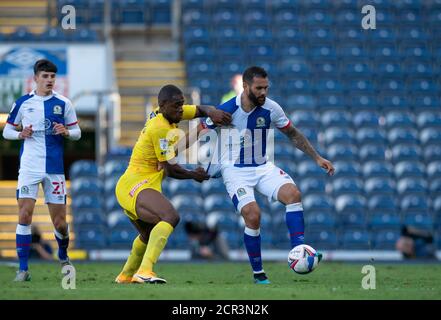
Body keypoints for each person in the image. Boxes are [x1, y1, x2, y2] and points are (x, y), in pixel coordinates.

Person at [198, 66, 335, 284]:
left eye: (266, 88)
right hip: (235, 170)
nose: (263, 92)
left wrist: (317, 157)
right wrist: (171, 152)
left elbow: (292, 133)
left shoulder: (272, 109)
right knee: (253, 215)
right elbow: (199, 130)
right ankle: (258, 273)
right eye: (258, 88)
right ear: (245, 87)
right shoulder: (227, 110)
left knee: (293, 194)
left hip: (262, 166)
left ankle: (298, 251)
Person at [114, 84, 231, 284]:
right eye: (177, 106)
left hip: (137, 183)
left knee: (147, 232)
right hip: (136, 184)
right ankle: (145, 270)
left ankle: (125, 275)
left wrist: (212, 111)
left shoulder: (169, 112)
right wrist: (194, 174)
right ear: (163, 105)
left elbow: (200, 110)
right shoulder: (159, 128)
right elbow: (171, 169)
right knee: (170, 216)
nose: (180, 109)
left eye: (181, 105)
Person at [2, 59, 81, 282]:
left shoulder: (64, 103)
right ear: (36, 78)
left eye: (52, 77)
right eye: (45, 76)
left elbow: (77, 133)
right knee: (24, 214)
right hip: (29, 167)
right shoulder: (23, 103)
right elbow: (6, 131)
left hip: (54, 168)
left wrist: (66, 131)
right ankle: (23, 269)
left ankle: (63, 254)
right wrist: (20, 134)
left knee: (60, 223)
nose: (49, 80)